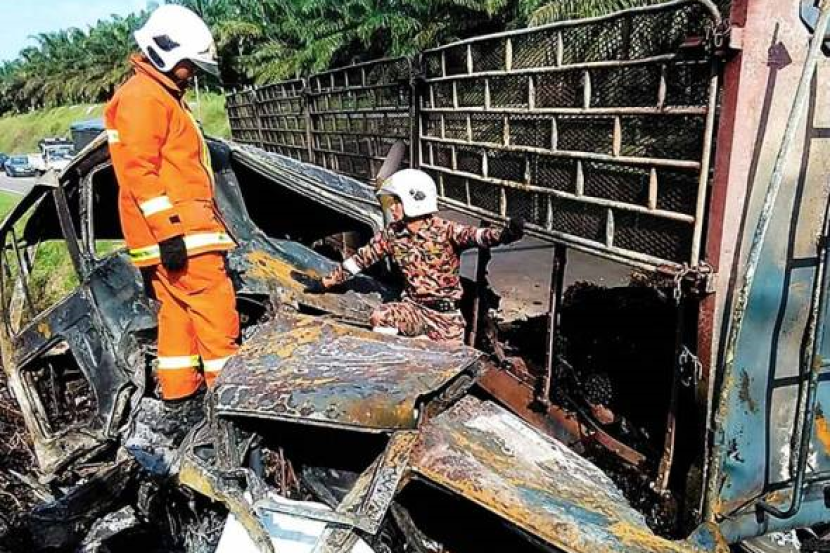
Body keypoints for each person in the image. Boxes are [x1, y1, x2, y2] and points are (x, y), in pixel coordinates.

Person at [104, 5, 238, 401]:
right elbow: (139, 172)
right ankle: (234, 403)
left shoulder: (155, 95)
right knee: (217, 319)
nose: (191, 71)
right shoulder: (144, 98)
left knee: (177, 317)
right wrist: (170, 233)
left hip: (173, 235)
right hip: (184, 233)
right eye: (187, 63)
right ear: (164, 51)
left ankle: (180, 398)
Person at [307, 169, 524, 343]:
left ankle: (422, 344)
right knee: (380, 318)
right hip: (413, 309)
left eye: (396, 201)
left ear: (413, 200)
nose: (392, 208)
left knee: (446, 368)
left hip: (445, 318)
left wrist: (506, 235)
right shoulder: (392, 234)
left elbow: (478, 236)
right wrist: (325, 282)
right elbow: (361, 259)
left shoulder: (445, 230)